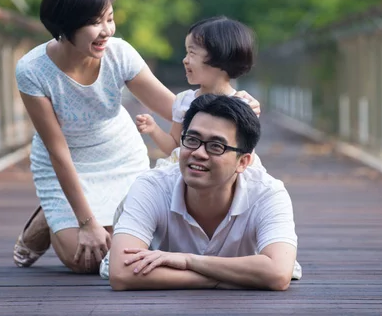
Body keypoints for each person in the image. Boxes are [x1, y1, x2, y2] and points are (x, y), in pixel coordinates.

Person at [12, 0, 260, 274]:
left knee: (126, 248)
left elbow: (177, 110)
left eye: (109, 18)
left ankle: (73, 212)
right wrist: (87, 223)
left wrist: (234, 106)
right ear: (65, 24)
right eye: (94, 23)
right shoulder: (32, 70)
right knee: (82, 260)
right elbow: (57, 150)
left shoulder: (119, 54)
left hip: (118, 155)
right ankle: (52, 214)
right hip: (65, 160)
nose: (107, 31)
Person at [109, 94, 298, 290]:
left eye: (216, 146)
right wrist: (218, 279)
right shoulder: (152, 186)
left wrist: (188, 261)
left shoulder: (268, 194)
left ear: (243, 162)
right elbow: (121, 272)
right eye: (191, 140)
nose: (198, 153)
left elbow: (277, 273)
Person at [135, 16, 264, 171]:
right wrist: (153, 129)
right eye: (186, 52)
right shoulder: (184, 100)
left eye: (192, 53)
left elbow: (244, 154)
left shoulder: (242, 105)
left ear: (220, 56)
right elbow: (175, 148)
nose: (185, 60)